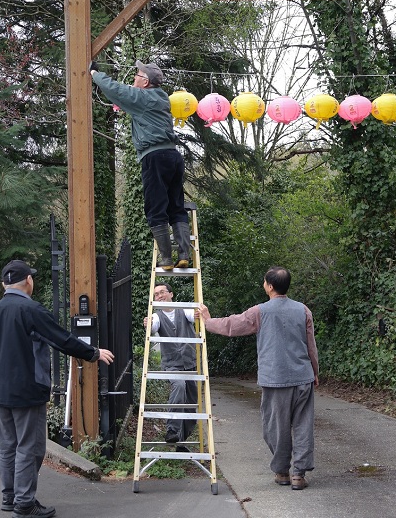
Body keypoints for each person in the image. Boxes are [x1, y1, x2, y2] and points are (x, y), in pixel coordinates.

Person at [0, 260, 115, 518]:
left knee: (8, 445)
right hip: (28, 390)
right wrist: (93, 353)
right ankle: (24, 504)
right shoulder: (31, 310)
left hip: (1, 391)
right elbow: (61, 339)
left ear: (4, 284)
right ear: (28, 282)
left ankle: (9, 497)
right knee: (29, 447)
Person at [198, 266, 319, 491]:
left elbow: (233, 325)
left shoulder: (260, 312)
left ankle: (282, 471)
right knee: (303, 426)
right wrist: (315, 372)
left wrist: (207, 321)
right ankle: (299, 475)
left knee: (276, 427)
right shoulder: (303, 310)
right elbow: (311, 344)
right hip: (303, 377)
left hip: (275, 379)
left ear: (270, 286)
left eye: (265, 282)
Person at [90, 59, 190, 270]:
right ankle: (184, 254)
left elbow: (116, 90)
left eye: (138, 75)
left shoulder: (143, 98)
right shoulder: (161, 97)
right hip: (173, 156)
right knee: (176, 206)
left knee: (155, 207)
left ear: (145, 82)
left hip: (154, 157)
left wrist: (95, 75)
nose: (134, 77)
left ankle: (166, 258)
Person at [144, 282, 197, 448]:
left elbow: (193, 314)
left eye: (162, 292)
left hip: (189, 363)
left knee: (191, 404)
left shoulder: (184, 310)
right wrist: (148, 324)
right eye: (156, 295)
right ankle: (172, 430)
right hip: (172, 365)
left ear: (171, 294)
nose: (159, 296)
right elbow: (153, 326)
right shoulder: (157, 316)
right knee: (179, 385)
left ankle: (180, 440)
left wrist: (198, 314)